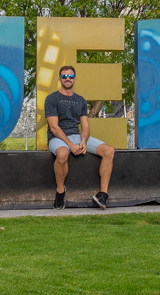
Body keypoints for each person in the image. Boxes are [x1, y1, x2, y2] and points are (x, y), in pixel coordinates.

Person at [45, 64, 115, 210]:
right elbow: (54, 127)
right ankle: (60, 192)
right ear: (60, 79)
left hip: (77, 136)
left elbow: (85, 127)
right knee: (63, 153)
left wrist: (83, 141)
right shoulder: (52, 99)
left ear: (75, 79)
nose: (67, 79)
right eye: (64, 76)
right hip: (57, 138)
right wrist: (71, 145)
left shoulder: (80, 100)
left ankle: (102, 195)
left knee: (109, 151)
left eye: (70, 76)